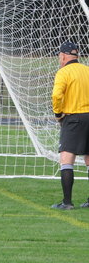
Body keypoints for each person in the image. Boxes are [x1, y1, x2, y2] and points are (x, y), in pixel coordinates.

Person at [50, 41, 89, 210]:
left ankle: (67, 202)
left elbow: (56, 95)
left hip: (73, 118)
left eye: (60, 56)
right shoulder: (87, 70)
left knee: (66, 159)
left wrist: (58, 114)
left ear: (63, 56)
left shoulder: (63, 72)